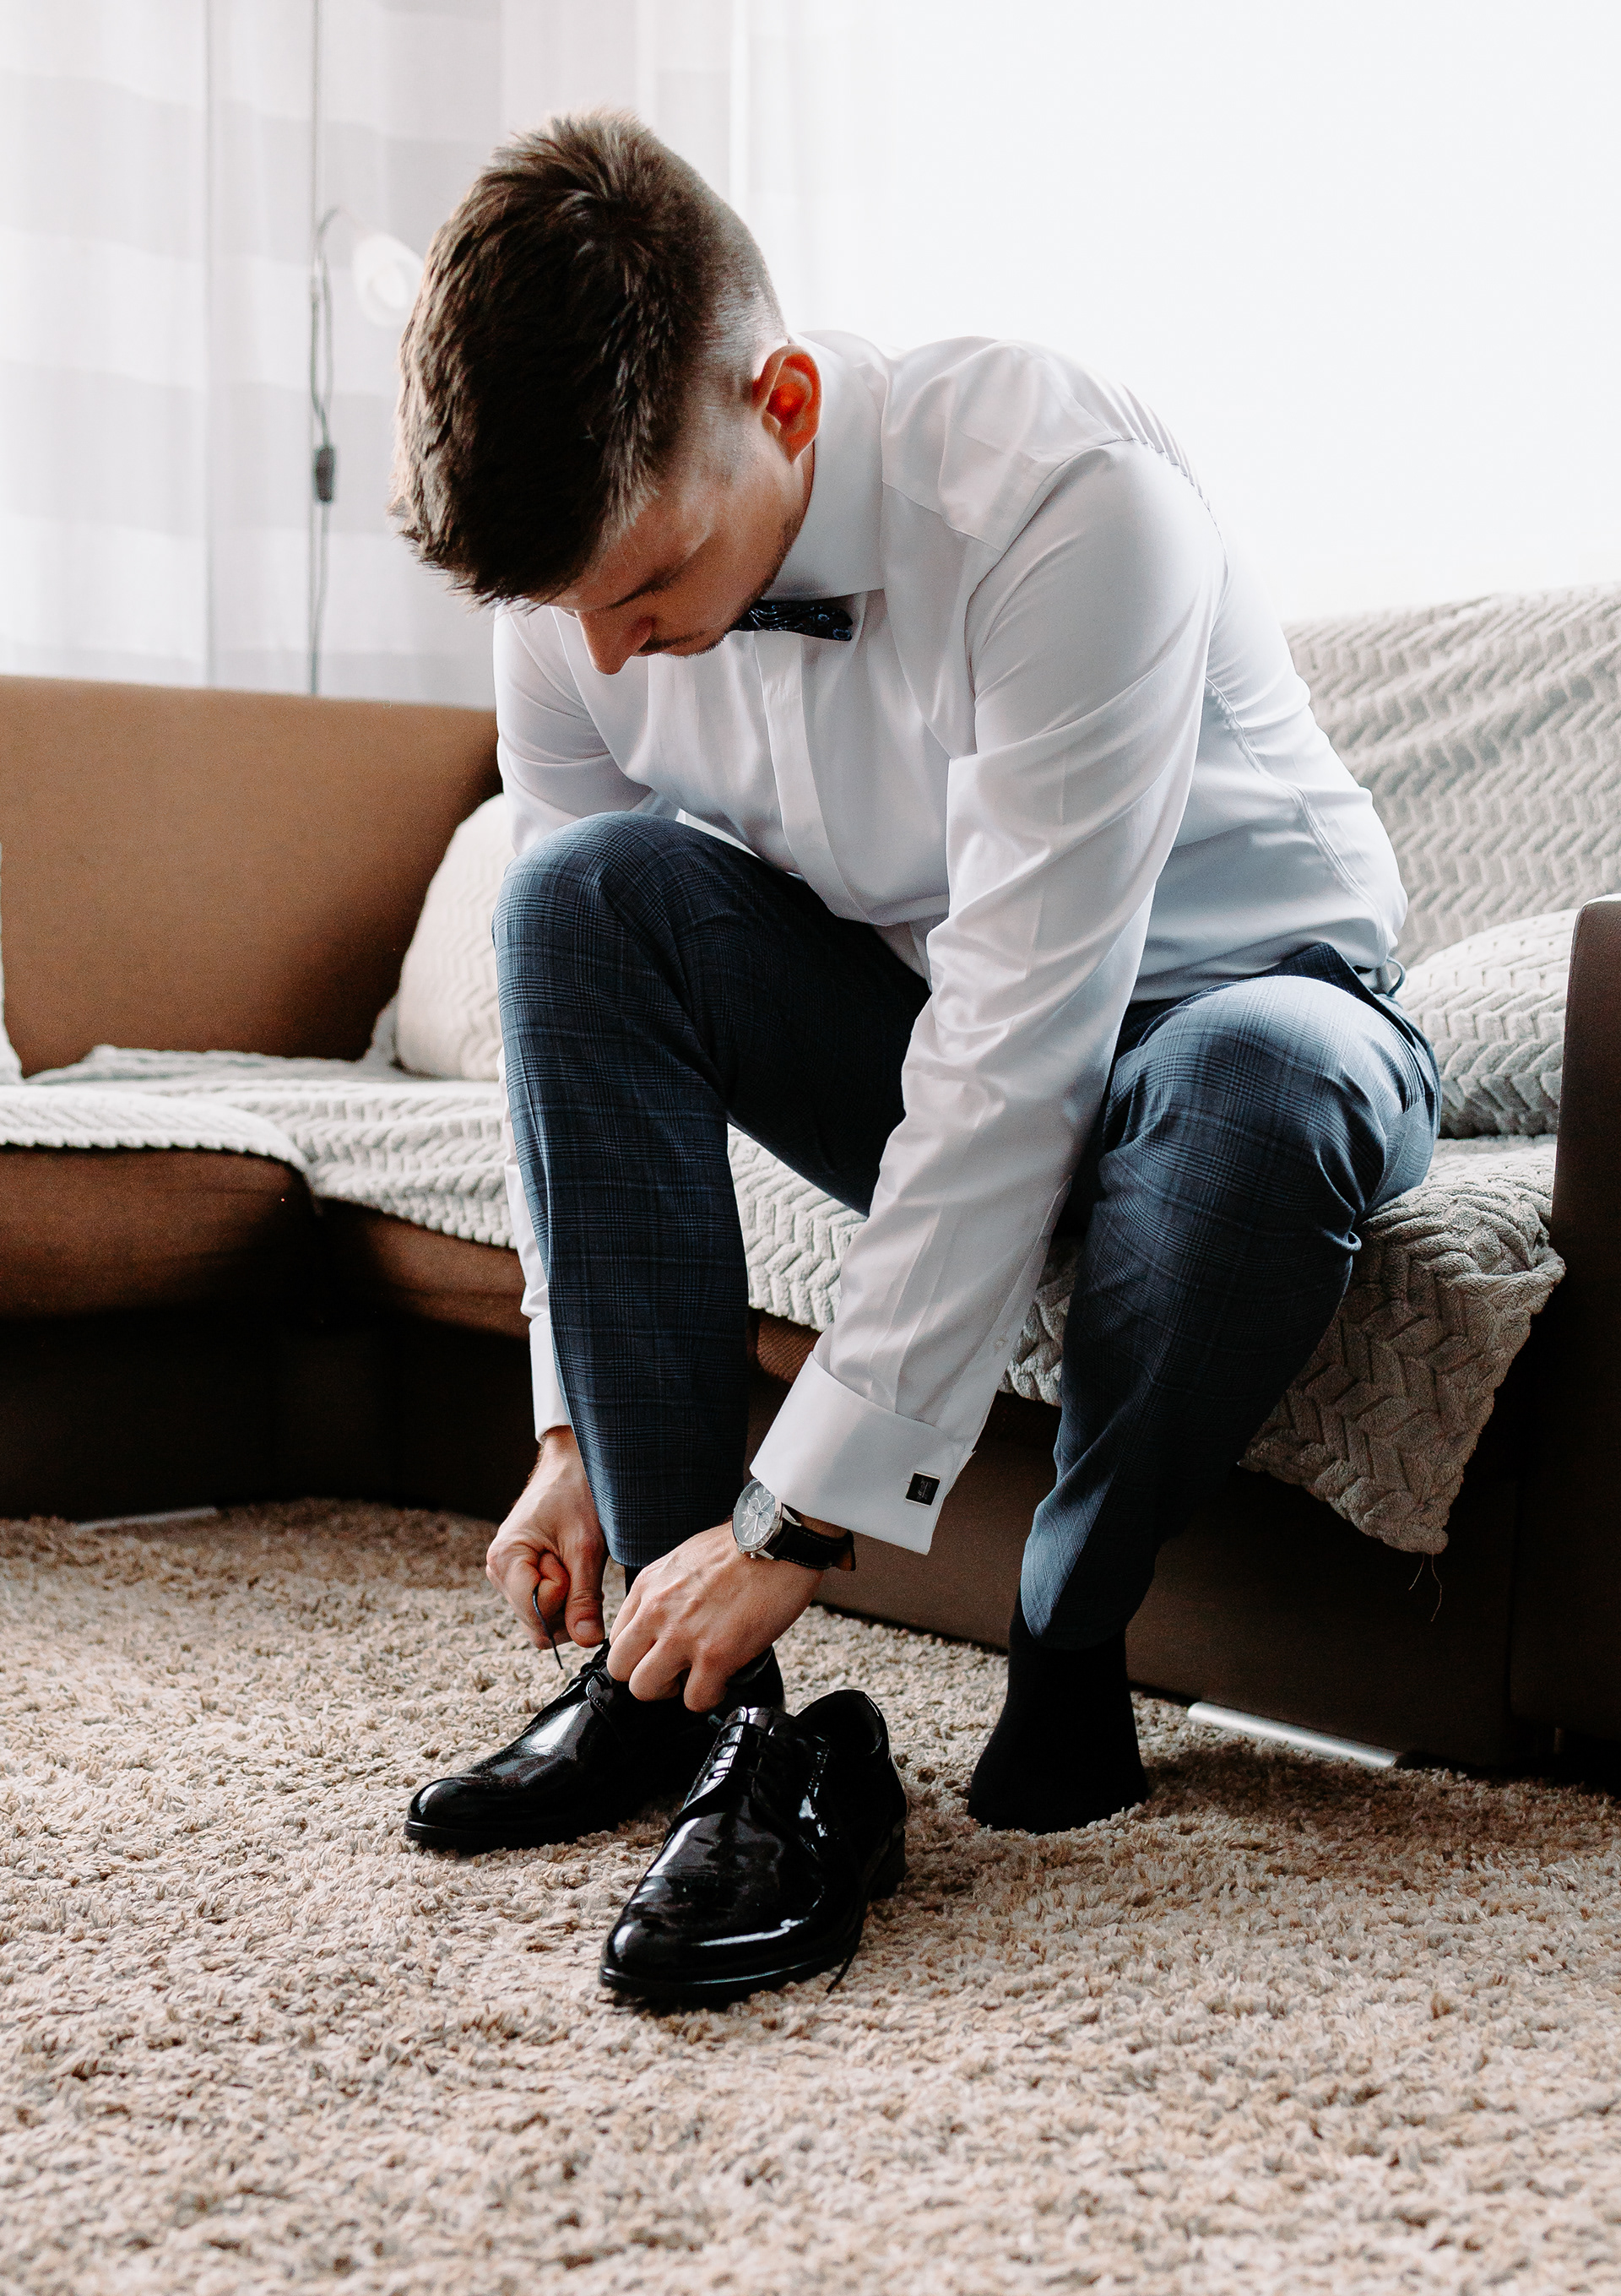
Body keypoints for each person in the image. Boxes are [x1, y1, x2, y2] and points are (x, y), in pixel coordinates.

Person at [392, 111, 1438, 1878]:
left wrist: (794, 1519)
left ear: (786, 404)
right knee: (570, 895)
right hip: (922, 1013)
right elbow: (565, 1013)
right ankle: (698, 1705)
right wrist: (569, 1424)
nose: (607, 655)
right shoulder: (579, 601)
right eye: (571, 612)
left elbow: (1019, 1044)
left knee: (1262, 1087)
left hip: (1245, 1012)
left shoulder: (1065, 496)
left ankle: (1072, 1630)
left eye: (644, 589)